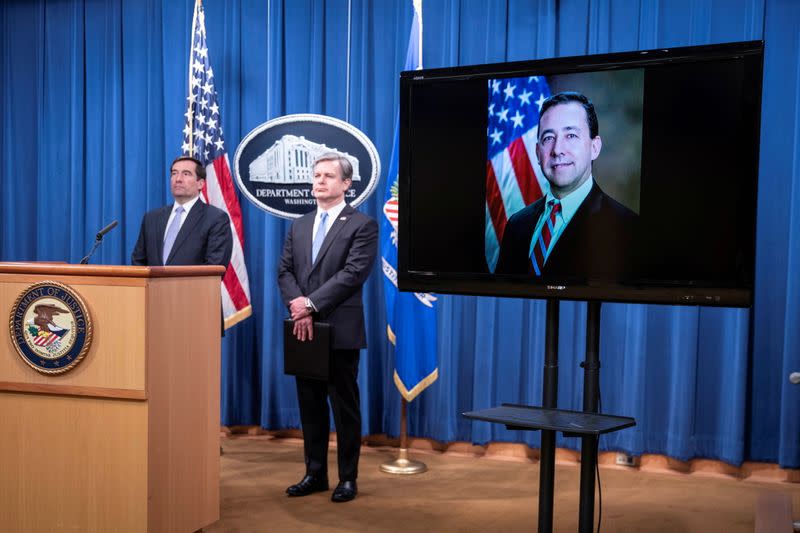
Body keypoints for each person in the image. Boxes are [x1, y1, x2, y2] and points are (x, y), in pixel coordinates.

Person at [277, 152, 378, 503]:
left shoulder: (362, 225)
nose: (319, 181)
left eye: (328, 176)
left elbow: (352, 275)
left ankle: (347, 478)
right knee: (310, 406)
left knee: (344, 408)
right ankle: (314, 473)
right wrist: (299, 306)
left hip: (340, 330)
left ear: (346, 183)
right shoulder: (299, 225)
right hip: (303, 330)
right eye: (316, 175)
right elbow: (285, 271)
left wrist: (310, 303)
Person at [495, 91, 637, 279]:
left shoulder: (628, 229)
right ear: (538, 153)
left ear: (594, 147)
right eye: (548, 138)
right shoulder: (516, 225)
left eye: (570, 135)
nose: (557, 150)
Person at [131, 156, 232, 268]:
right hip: (152, 286)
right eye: (174, 173)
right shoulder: (151, 218)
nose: (178, 179)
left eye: (186, 174)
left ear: (201, 184)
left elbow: (214, 268)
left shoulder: (216, 219)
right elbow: (138, 262)